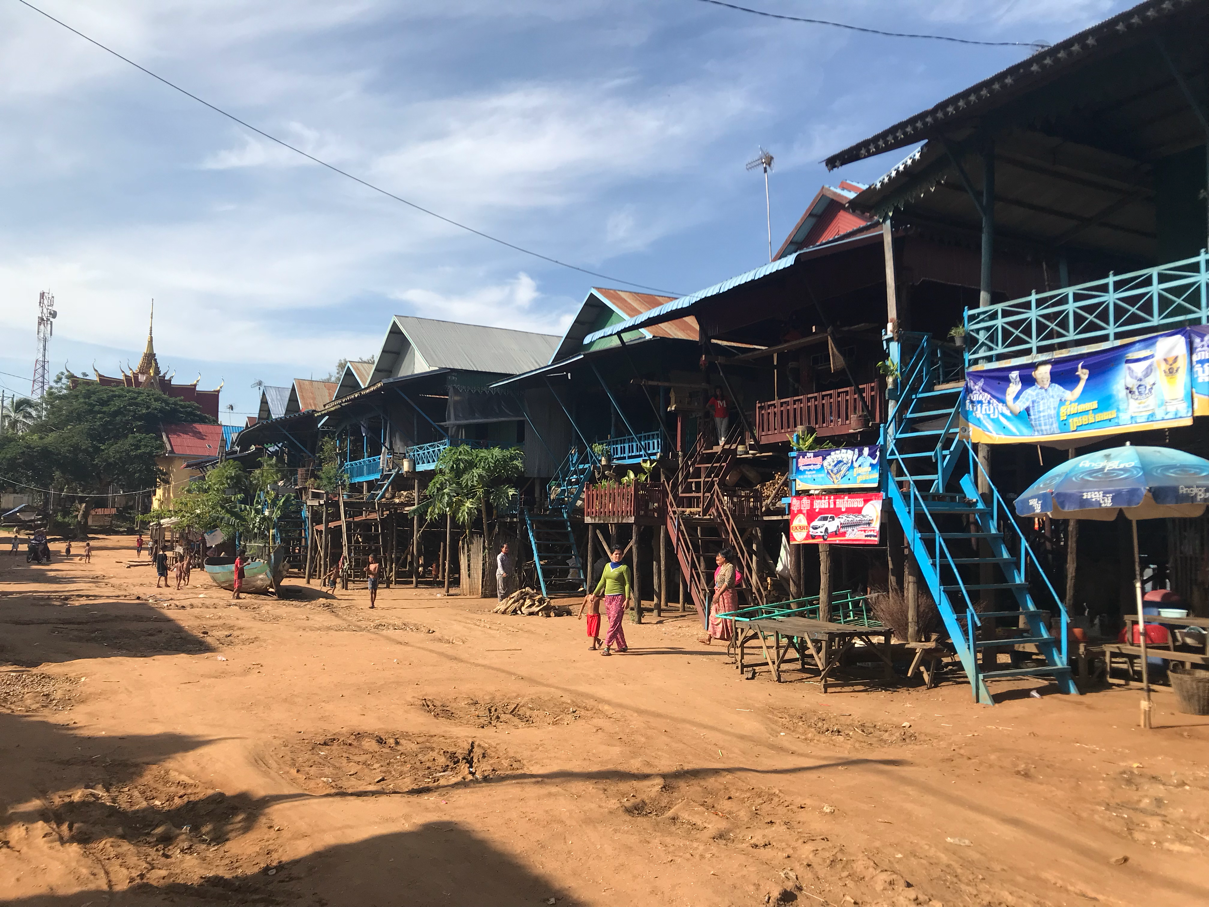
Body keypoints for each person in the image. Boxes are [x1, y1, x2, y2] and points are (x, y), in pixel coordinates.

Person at [1005, 360, 1089, 436]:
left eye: (1046, 372)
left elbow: (1072, 396)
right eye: (1040, 373)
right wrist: (1009, 401)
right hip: (1039, 440)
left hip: (1056, 438)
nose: (1044, 376)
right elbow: (1016, 410)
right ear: (1034, 374)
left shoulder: (1055, 388)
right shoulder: (1030, 393)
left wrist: (1083, 380)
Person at [591, 546, 633, 656]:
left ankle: (607, 646)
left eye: (620, 554)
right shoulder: (607, 566)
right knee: (614, 622)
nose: (617, 556)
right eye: (616, 554)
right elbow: (602, 581)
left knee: (614, 622)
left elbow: (627, 583)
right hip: (608, 597)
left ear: (622, 555)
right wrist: (594, 594)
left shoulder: (624, 568)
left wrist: (627, 599)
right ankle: (622, 645)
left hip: (619, 597)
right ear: (611, 555)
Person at [701, 548, 737, 645]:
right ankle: (709, 637)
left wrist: (719, 594)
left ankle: (732, 639)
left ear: (724, 558)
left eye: (719, 557)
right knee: (713, 615)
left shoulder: (730, 567)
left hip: (727, 595)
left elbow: (727, 582)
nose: (717, 558)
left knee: (728, 617)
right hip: (719, 593)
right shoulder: (721, 567)